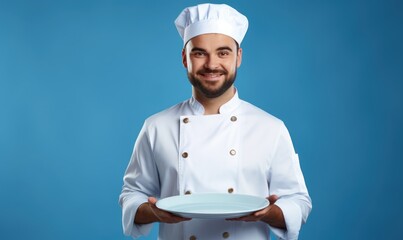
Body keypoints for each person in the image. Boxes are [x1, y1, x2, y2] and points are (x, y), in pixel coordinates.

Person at [119, 3, 311, 240]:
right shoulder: (156, 126)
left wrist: (269, 213)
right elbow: (132, 194)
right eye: (199, 53)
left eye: (223, 52)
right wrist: (153, 212)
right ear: (184, 58)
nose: (211, 64)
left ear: (238, 57)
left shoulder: (270, 128)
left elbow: (298, 202)